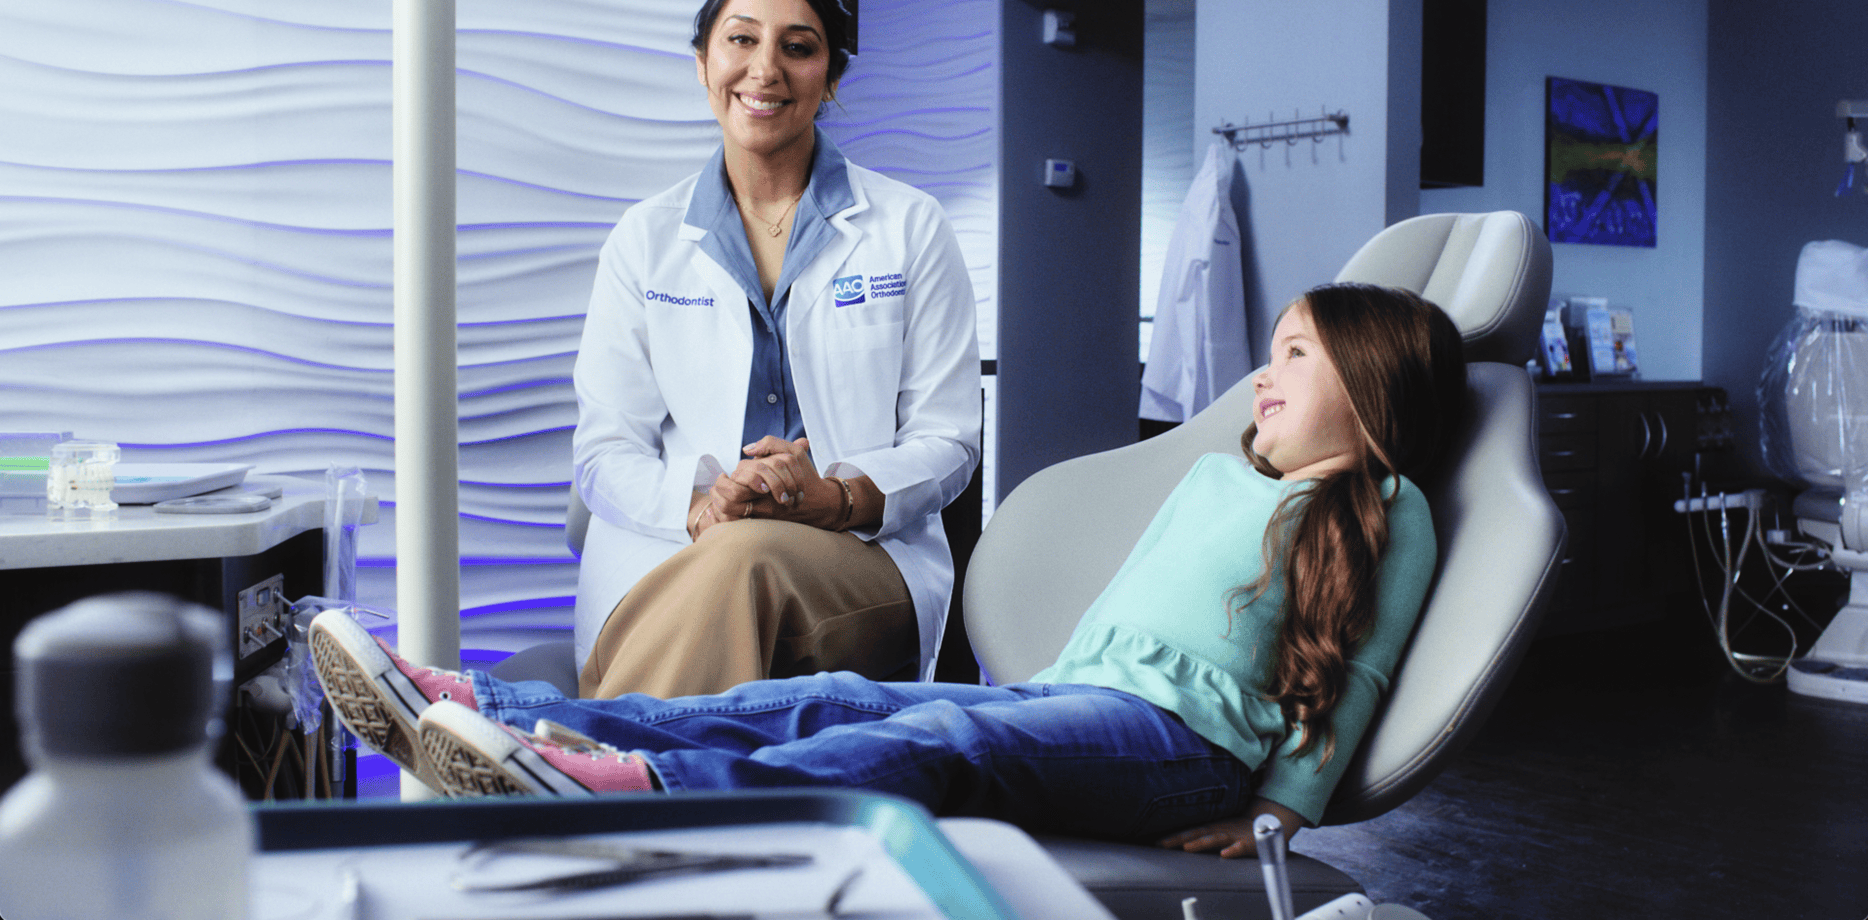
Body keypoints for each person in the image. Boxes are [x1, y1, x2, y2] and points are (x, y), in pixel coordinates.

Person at [314, 283, 1464, 857]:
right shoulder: (1223, 480)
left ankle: (643, 800)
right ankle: (490, 712)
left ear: (1368, 387)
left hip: (1187, 752)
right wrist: (1047, 689)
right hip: (1087, 701)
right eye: (1267, 355)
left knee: (933, 743)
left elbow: (1353, 673)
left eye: (1294, 356)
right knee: (833, 699)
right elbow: (1127, 605)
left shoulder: (1384, 508)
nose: (1262, 377)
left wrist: (1277, 807)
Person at [569, 0, 981, 699]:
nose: (765, 69)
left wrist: (842, 495)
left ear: (830, 78)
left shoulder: (911, 227)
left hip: (857, 559)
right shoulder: (644, 239)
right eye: (741, 39)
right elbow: (604, 451)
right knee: (731, 554)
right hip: (664, 555)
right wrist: (699, 505)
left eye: (798, 47)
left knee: (746, 556)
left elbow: (950, 437)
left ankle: (563, 760)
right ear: (702, 62)